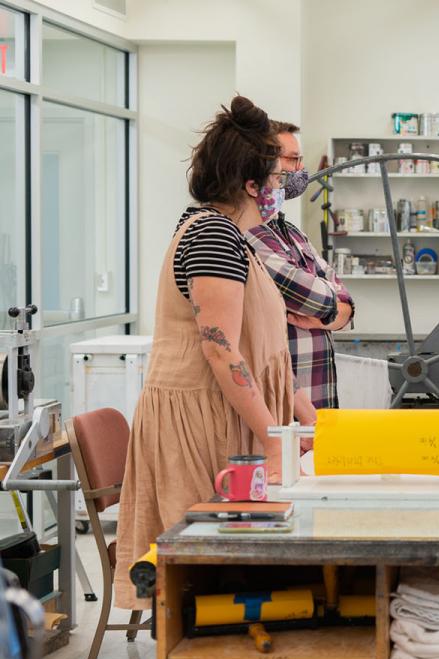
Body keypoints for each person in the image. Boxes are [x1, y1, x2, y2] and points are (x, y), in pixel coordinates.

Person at [114, 96, 302, 609]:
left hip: (227, 412)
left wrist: (307, 419)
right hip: (200, 420)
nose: (282, 187)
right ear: (252, 184)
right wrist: (274, 441)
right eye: (277, 176)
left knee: (228, 568)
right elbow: (221, 352)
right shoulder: (214, 236)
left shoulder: (231, 236)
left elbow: (263, 349)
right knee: (203, 575)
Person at [246, 121, 354, 410]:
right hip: (280, 408)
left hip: (319, 401)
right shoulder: (249, 234)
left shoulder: (291, 232)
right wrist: (332, 309)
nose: (300, 169)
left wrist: (335, 310)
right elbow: (318, 299)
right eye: (292, 159)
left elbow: (345, 303)